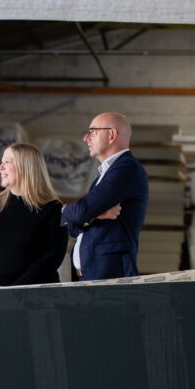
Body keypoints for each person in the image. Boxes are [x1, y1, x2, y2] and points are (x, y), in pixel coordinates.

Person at [60, 112, 149, 280]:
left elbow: (81, 212)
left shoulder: (126, 169)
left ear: (111, 135)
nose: (86, 138)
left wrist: (68, 210)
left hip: (109, 273)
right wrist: (93, 216)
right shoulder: (103, 176)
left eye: (92, 132)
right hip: (93, 274)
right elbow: (72, 227)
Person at [0, 143, 68, 287]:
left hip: (36, 295)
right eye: (1, 162)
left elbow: (52, 256)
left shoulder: (53, 208)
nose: (0, 167)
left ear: (25, 166)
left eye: (7, 162)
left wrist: (16, 289)